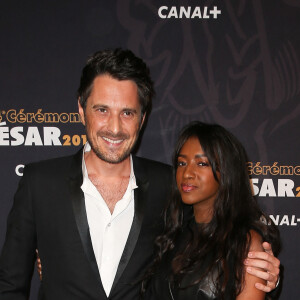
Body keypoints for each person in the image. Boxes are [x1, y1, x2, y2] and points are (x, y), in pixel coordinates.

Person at [0, 49, 280, 300]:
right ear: (81, 110)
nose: (114, 128)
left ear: (143, 118)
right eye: (102, 110)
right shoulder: (40, 183)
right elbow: (10, 285)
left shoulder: (170, 185)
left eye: (127, 113)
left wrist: (267, 275)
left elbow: (221, 236)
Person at [143, 121, 281, 299]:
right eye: (182, 163)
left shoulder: (245, 241)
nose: (187, 174)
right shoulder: (173, 232)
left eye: (201, 164)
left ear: (226, 171)